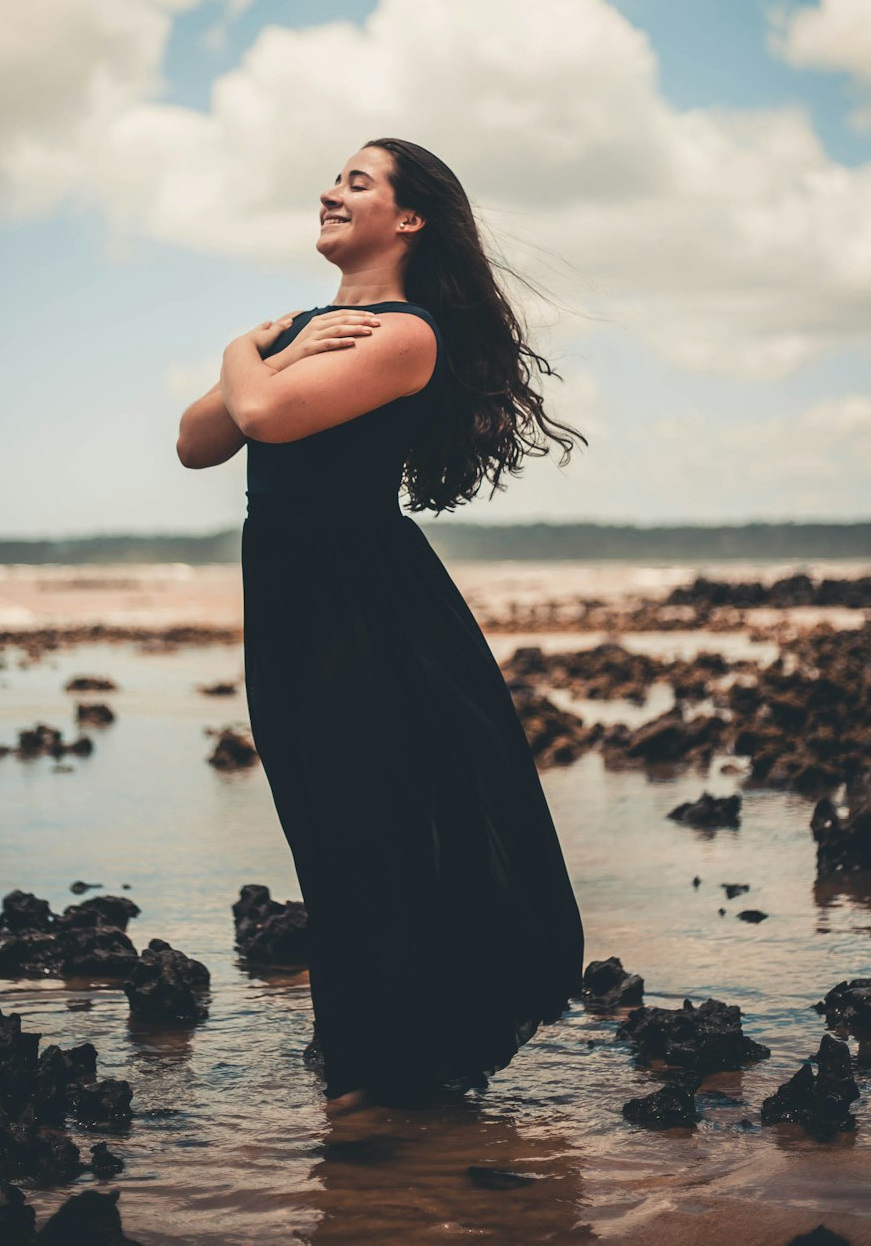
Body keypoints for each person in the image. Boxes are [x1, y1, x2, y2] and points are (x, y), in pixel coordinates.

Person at [177, 138, 587, 1115]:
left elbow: (264, 418)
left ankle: (392, 1071)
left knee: (376, 823)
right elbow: (197, 442)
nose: (329, 190)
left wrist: (245, 349)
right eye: (334, 178)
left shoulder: (405, 334)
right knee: (323, 825)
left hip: (363, 599)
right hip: (286, 590)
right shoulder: (314, 327)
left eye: (356, 181)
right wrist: (264, 357)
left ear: (409, 220)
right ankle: (365, 1063)